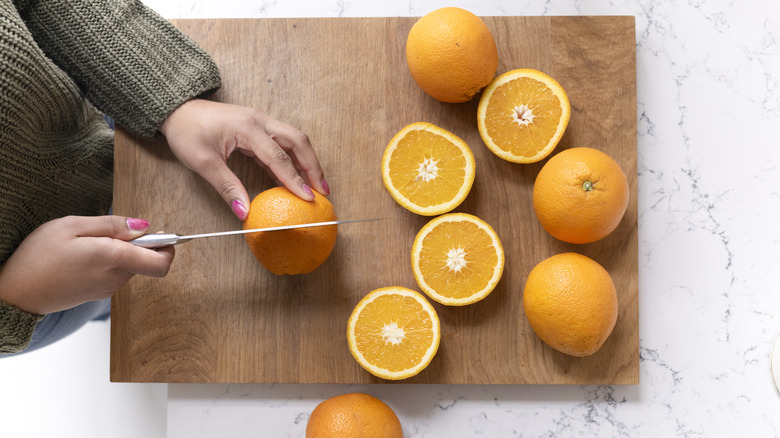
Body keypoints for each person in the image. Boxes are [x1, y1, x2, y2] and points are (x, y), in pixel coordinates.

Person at [0, 0, 329, 354]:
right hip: (33, 286)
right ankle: (101, 314)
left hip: (87, 125)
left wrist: (170, 97)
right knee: (106, 301)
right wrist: (15, 296)